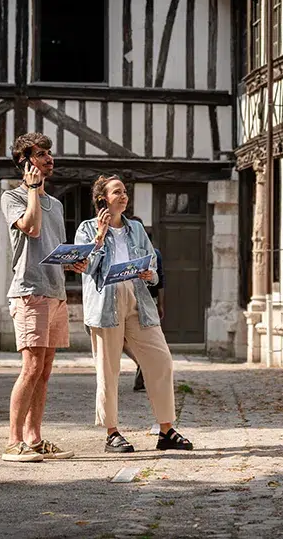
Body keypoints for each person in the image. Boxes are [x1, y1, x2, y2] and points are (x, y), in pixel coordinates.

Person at [75, 175, 193, 453]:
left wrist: (149, 273)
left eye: (125, 191)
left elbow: (152, 268)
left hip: (138, 298)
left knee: (161, 360)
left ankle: (166, 430)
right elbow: (87, 268)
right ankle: (112, 433)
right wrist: (100, 237)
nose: (124, 196)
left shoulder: (137, 229)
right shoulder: (86, 229)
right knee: (108, 369)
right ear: (103, 198)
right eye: (117, 192)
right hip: (106, 302)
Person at [0, 132, 89, 463]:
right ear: (25, 162)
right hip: (29, 292)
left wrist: (74, 263)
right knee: (31, 366)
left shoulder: (58, 204)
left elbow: (53, 248)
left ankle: (34, 438)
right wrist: (34, 189)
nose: (50, 158)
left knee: (45, 369)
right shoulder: (13, 198)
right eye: (41, 154)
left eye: (50, 153)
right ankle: (13, 441)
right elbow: (32, 229)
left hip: (55, 292)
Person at [126, 215, 164, 393]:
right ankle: (141, 362)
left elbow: (160, 281)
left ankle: (145, 372)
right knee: (123, 341)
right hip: (128, 299)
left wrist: (160, 304)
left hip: (148, 300)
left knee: (148, 340)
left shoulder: (155, 254)